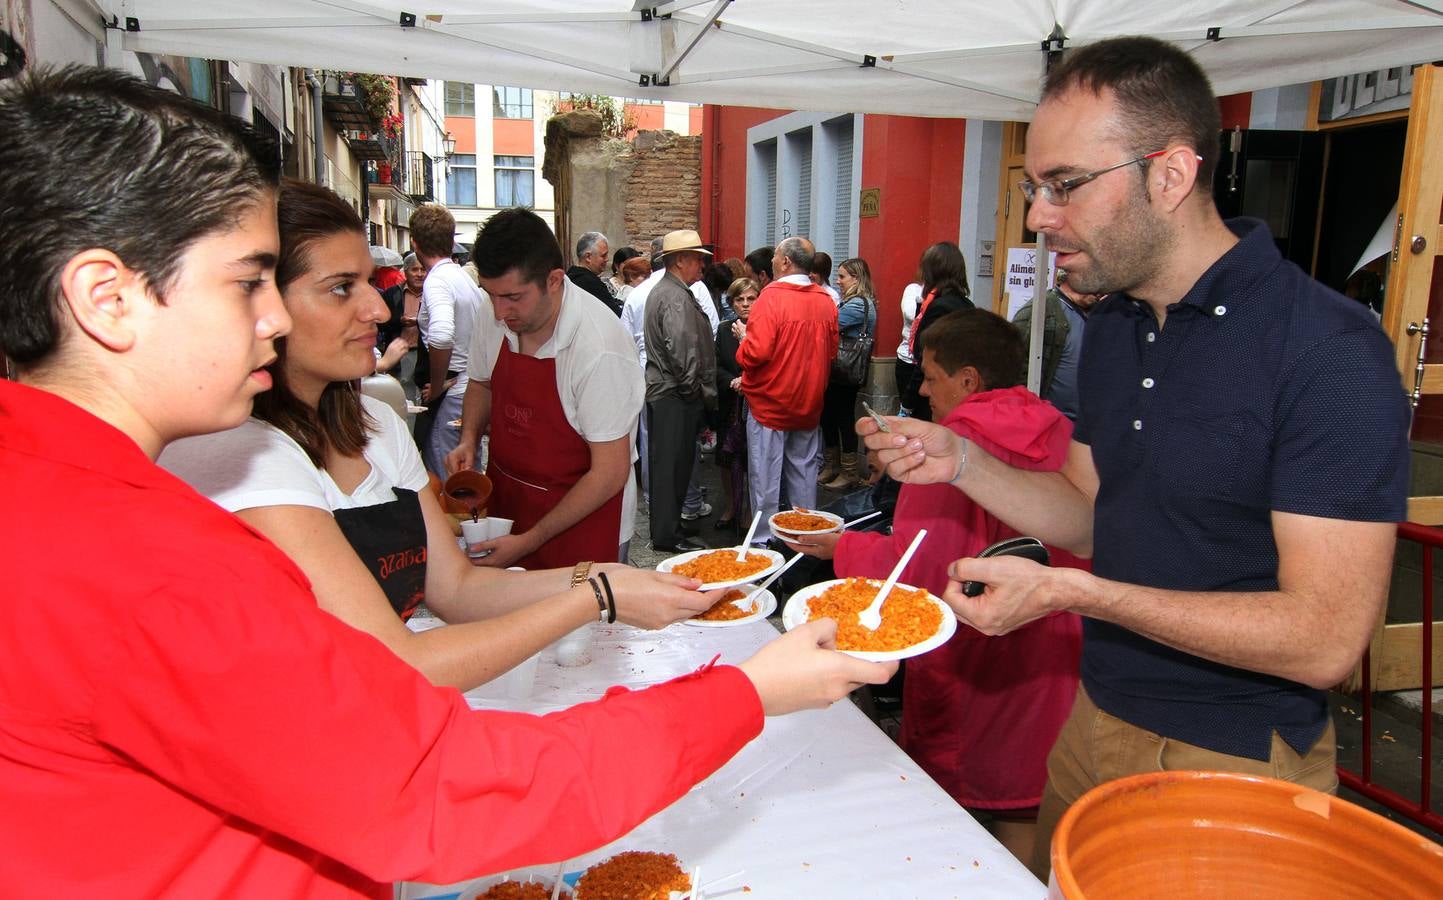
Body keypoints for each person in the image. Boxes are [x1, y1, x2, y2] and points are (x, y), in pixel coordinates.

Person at [0, 63, 896, 895]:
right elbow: (433, 785)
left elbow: (451, 595)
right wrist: (742, 693)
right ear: (106, 297)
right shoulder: (142, 558)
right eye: (246, 283)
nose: (272, 318)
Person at [859, 35, 1410, 881]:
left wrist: (1078, 592)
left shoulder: (1328, 352)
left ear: (1170, 175)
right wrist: (961, 462)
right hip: (1095, 715)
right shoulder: (1113, 328)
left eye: (1065, 185)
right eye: (1033, 188)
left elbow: (1323, 639)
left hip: (1232, 753)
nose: (1040, 216)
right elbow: (1086, 505)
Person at [162, 180, 708, 689]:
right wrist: (597, 593)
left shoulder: (378, 428)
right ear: (262, 305)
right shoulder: (236, 453)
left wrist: (605, 578)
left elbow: (457, 590)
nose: (379, 308)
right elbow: (392, 661)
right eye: (340, 289)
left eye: (370, 285)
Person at [788, 308, 1083, 864]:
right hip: (1054, 654)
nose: (921, 389)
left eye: (929, 375)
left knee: (942, 829)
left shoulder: (946, 449)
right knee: (1025, 812)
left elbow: (919, 569)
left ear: (968, 379)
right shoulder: (1060, 426)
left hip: (977, 666)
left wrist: (839, 548)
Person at [442, 209, 643, 569]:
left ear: (554, 280)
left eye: (514, 297)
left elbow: (609, 473)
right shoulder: (497, 312)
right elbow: (481, 381)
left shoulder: (601, 348)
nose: (500, 312)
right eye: (491, 295)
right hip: (508, 502)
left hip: (584, 520)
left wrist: (529, 541)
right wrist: (469, 437)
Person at [735, 236, 839, 541]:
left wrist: (742, 341)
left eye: (774, 257)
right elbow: (832, 351)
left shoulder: (771, 297)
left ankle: (763, 543)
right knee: (804, 474)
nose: (771, 262)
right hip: (808, 402)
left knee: (765, 479)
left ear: (785, 262)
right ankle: (804, 538)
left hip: (771, 401)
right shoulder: (824, 299)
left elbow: (756, 353)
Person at [643, 230, 717, 553]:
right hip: (674, 395)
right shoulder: (674, 296)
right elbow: (683, 351)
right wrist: (692, 394)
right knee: (671, 469)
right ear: (680, 260)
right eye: (697, 257)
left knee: (669, 468)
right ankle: (667, 536)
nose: (702, 264)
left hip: (670, 393)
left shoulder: (671, 291)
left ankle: (668, 533)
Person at [411, 202, 484, 477]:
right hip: (469, 386)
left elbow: (441, 335)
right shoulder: (461, 277)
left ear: (415, 243)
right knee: (467, 474)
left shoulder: (438, 280)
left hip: (452, 392)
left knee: (448, 479)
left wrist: (439, 384)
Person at [1010, 269, 1104, 422]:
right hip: (1050, 423)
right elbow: (1015, 366)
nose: (1100, 290)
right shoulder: (1041, 310)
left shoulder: (1100, 313)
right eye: (1094, 281)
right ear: (1071, 277)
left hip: (1085, 424)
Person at [818, 257, 879, 489]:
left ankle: (849, 472)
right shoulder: (852, 301)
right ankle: (833, 466)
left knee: (842, 418)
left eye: (842, 276)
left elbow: (828, 325)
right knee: (830, 417)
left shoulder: (857, 304)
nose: (838, 281)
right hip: (839, 371)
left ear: (856, 278)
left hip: (845, 371)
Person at [901, 242, 975, 421]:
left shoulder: (940, 307)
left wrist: (907, 403)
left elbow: (927, 358)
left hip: (935, 390)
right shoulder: (965, 304)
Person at [714, 278, 759, 533]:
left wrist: (748, 381)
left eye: (750, 299)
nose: (745, 304)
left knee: (754, 459)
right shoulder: (723, 329)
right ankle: (730, 507)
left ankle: (750, 512)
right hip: (729, 402)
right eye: (739, 300)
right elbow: (715, 363)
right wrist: (730, 381)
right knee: (725, 458)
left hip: (755, 403)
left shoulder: (764, 327)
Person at [567, 230, 622, 316]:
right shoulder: (590, 283)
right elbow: (615, 314)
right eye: (603, 255)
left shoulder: (570, 277)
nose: (607, 259)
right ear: (588, 257)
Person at [894, 278, 924, 415]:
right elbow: (910, 313)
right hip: (908, 359)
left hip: (931, 363)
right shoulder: (914, 289)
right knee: (909, 410)